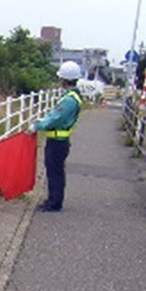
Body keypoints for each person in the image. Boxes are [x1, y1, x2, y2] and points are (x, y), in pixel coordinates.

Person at [27, 61, 83, 212]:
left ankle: (54, 203)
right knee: (54, 171)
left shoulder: (69, 100)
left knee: (55, 172)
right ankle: (53, 200)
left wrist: (37, 126)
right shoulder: (72, 97)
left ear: (64, 79)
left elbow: (55, 118)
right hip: (58, 140)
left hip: (58, 141)